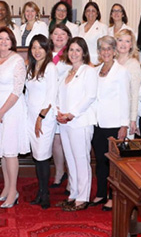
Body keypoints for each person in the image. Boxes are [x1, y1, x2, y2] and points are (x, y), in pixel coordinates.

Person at [0, 27, 29, 209]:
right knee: (2, 151)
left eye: (7, 39)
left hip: (11, 110)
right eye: (0, 38)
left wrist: (1, 111)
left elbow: (17, 90)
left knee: (10, 152)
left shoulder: (17, 60)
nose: (3, 42)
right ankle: (6, 188)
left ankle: (13, 191)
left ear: (12, 42)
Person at [55, 37, 97, 212]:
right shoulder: (66, 72)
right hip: (64, 123)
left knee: (81, 159)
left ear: (84, 52)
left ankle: (83, 197)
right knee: (70, 160)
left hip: (80, 122)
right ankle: (73, 193)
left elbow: (90, 96)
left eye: (77, 50)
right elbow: (59, 95)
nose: (74, 53)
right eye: (71, 50)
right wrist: (58, 112)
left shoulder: (89, 71)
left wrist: (72, 114)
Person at [92, 36, 131, 211]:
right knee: (100, 160)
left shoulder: (121, 71)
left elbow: (125, 98)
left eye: (109, 49)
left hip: (114, 123)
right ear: (99, 52)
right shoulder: (95, 70)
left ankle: (112, 196)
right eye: (102, 49)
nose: (105, 52)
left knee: (112, 163)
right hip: (97, 122)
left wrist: (124, 125)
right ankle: (100, 193)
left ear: (114, 51)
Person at [25, 35, 58, 209]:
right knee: (37, 157)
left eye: (40, 47)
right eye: (34, 47)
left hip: (44, 118)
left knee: (43, 156)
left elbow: (51, 96)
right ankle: (40, 192)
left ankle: (45, 194)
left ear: (47, 49)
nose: (37, 51)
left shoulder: (50, 68)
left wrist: (40, 117)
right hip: (30, 117)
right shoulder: (31, 68)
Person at [49, 23, 73, 188]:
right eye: (56, 33)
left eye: (62, 34)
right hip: (50, 105)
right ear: (51, 36)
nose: (59, 37)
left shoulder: (72, 55)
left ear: (68, 37)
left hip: (67, 104)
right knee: (55, 141)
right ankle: (59, 172)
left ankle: (72, 178)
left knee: (68, 142)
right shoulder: (44, 54)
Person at [115, 29, 141, 139]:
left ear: (131, 45)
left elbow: (135, 94)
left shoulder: (133, 64)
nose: (123, 44)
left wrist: (132, 120)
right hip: (111, 113)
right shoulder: (111, 61)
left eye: (127, 41)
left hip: (125, 116)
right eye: (120, 40)